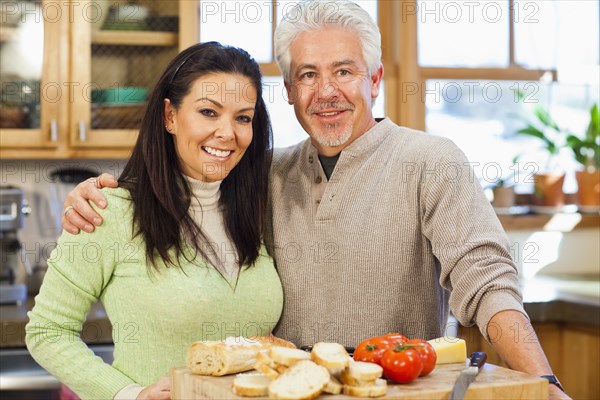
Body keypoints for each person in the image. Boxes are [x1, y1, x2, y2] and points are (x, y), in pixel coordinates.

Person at [61, 1, 569, 398]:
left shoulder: (432, 161)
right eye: (308, 75)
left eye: (344, 71)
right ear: (288, 92)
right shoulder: (264, 172)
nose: (326, 91)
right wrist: (106, 191)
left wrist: (543, 384)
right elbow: (190, 172)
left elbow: (487, 281)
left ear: (374, 79)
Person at [26, 42, 283, 400]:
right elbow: (48, 330)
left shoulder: (257, 208)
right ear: (170, 116)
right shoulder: (109, 210)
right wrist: (128, 394)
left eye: (243, 117)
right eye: (209, 112)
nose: (228, 132)